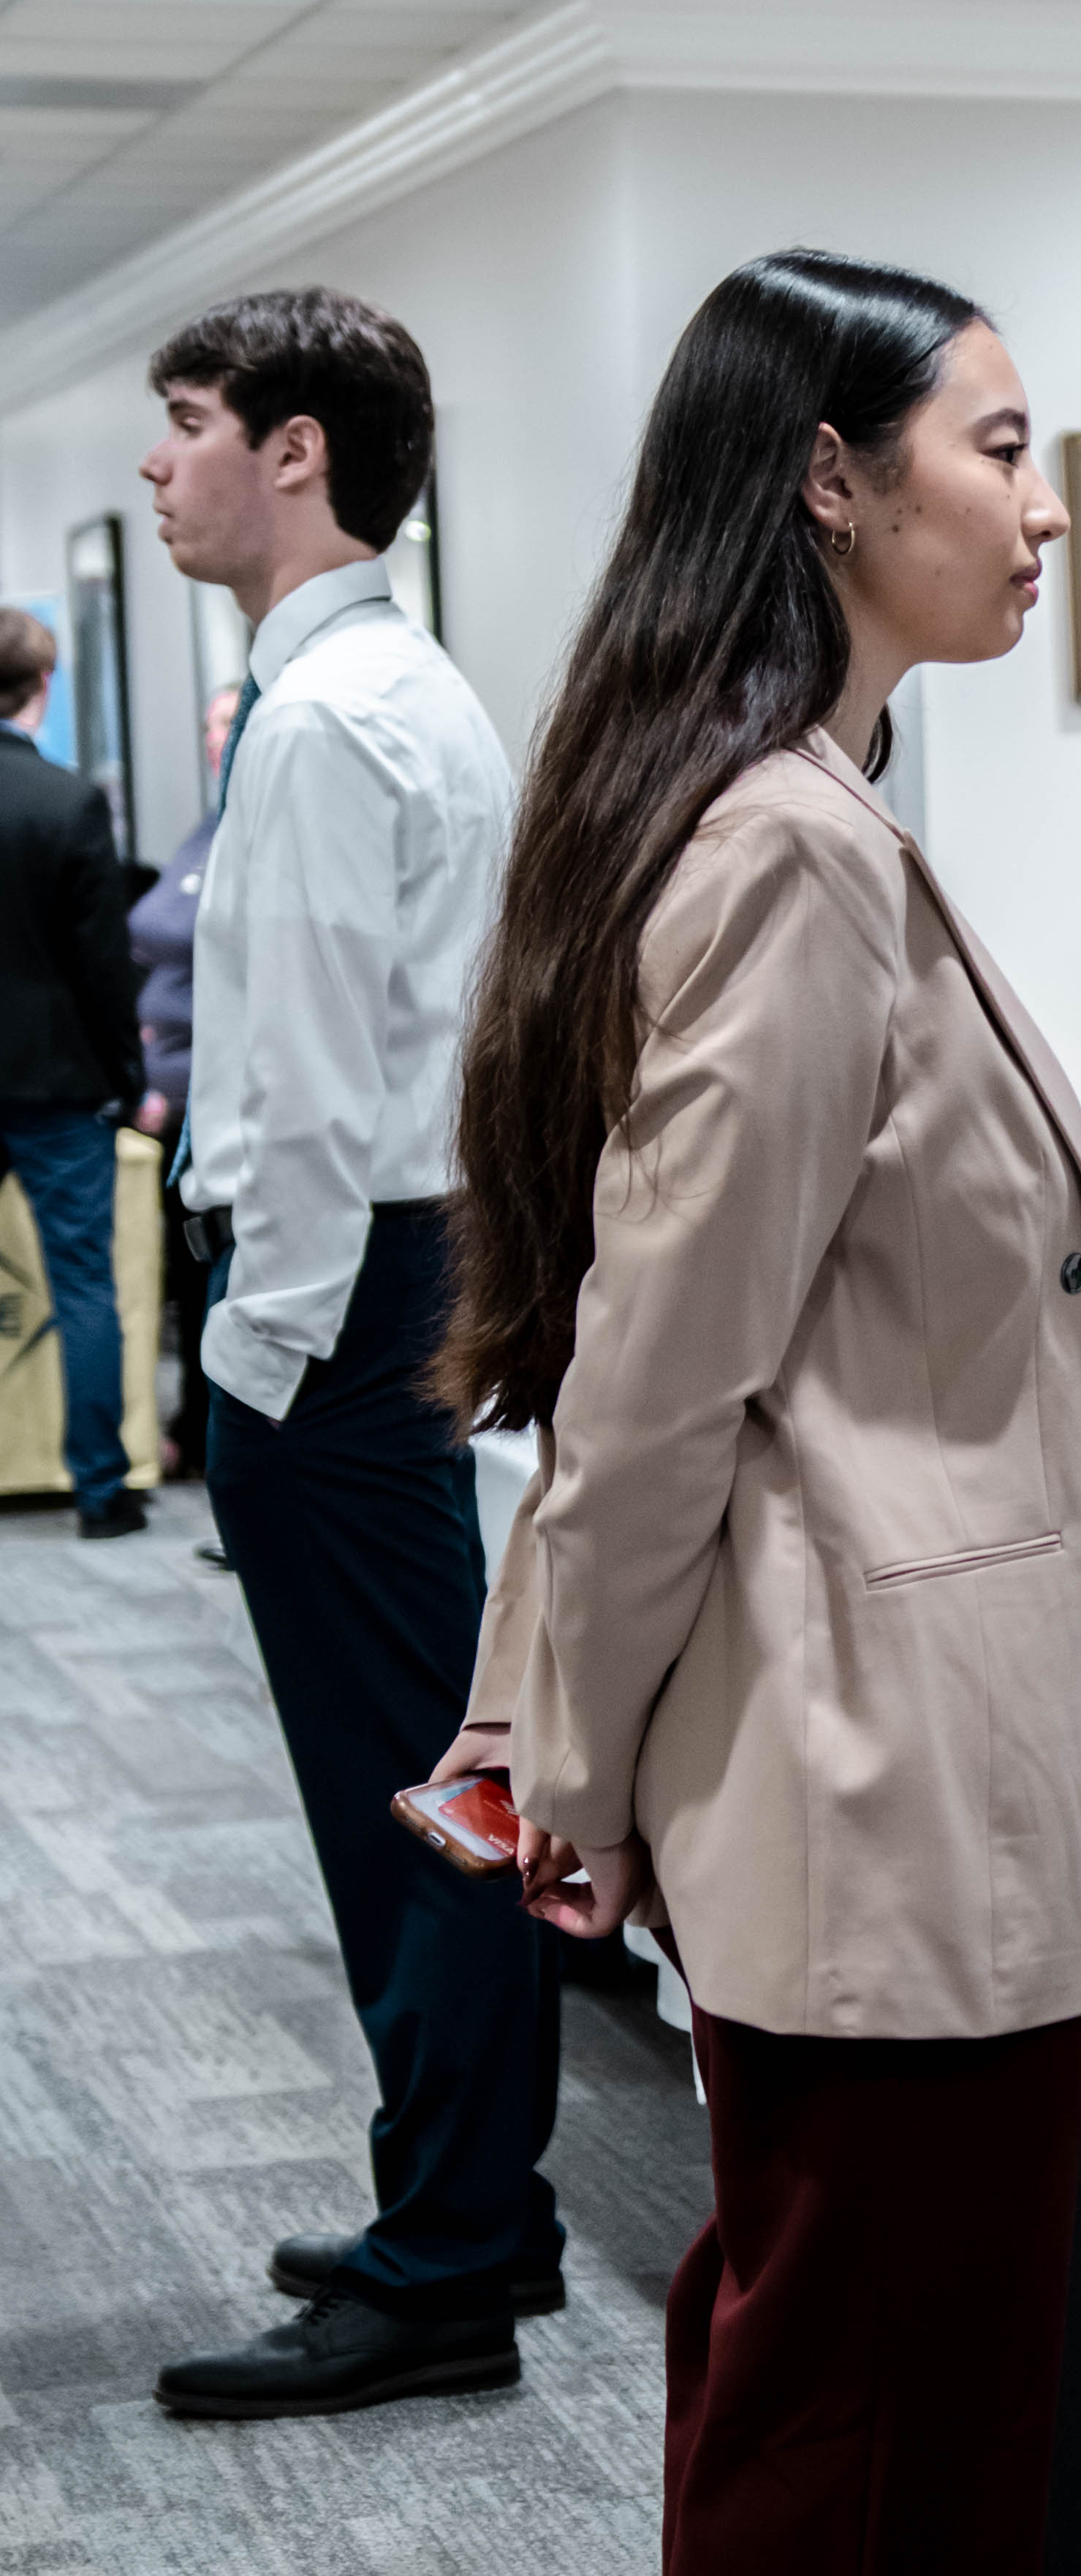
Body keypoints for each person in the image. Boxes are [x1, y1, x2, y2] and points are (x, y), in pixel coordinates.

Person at [433, 251, 1081, 2574]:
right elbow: (660, 1381)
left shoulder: (793, 817)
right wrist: (564, 1764)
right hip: (882, 1783)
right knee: (866, 2423)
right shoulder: (792, 855)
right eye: (999, 448)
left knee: (862, 2389)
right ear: (832, 483)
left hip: (884, 1769)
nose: (1040, 509)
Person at [141, 291, 562, 2422]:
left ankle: (453, 2254)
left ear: (296, 451)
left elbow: (302, 1091)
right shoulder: (402, 683)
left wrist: (257, 1354)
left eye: (189, 420)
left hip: (336, 1292)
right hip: (398, 1268)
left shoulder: (320, 718)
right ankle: (463, 2198)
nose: (159, 465)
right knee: (427, 1772)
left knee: (408, 1795)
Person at [0, 606, 147, 1537]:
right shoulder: (68, 803)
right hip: (56, 1081)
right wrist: (128, 1077)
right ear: (44, 687)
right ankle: (101, 1493)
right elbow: (103, 966)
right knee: (84, 1283)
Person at [126, 685, 232, 1481]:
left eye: (227, 721)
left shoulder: (250, 829)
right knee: (181, 1277)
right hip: (165, 1093)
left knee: (205, 1279)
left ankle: (203, 1435)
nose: (213, 737)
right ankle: (193, 1428)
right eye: (208, 725)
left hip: (205, 1095)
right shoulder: (205, 829)